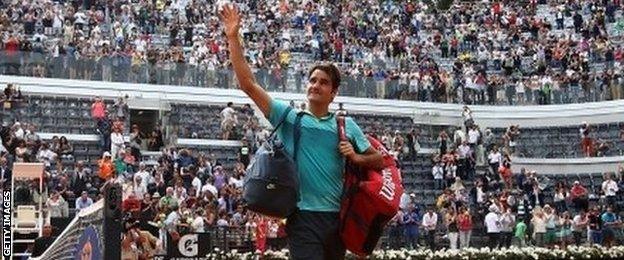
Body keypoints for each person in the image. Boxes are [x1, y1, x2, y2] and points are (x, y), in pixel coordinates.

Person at [220, 6, 384, 260]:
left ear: (334, 92)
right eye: (313, 80)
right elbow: (248, 85)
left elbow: (379, 160)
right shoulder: (289, 117)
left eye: (323, 82)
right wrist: (232, 37)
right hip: (301, 216)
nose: (316, 85)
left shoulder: (346, 125)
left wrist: (357, 157)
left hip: (337, 218)